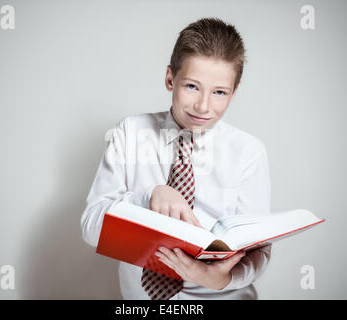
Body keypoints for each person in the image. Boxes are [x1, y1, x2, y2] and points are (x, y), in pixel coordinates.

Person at [81, 17, 272, 300]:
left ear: (234, 93)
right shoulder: (130, 132)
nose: (203, 106)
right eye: (192, 86)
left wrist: (220, 278)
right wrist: (147, 197)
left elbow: (259, 249)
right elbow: (90, 229)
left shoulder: (248, 152)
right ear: (170, 78)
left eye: (219, 92)